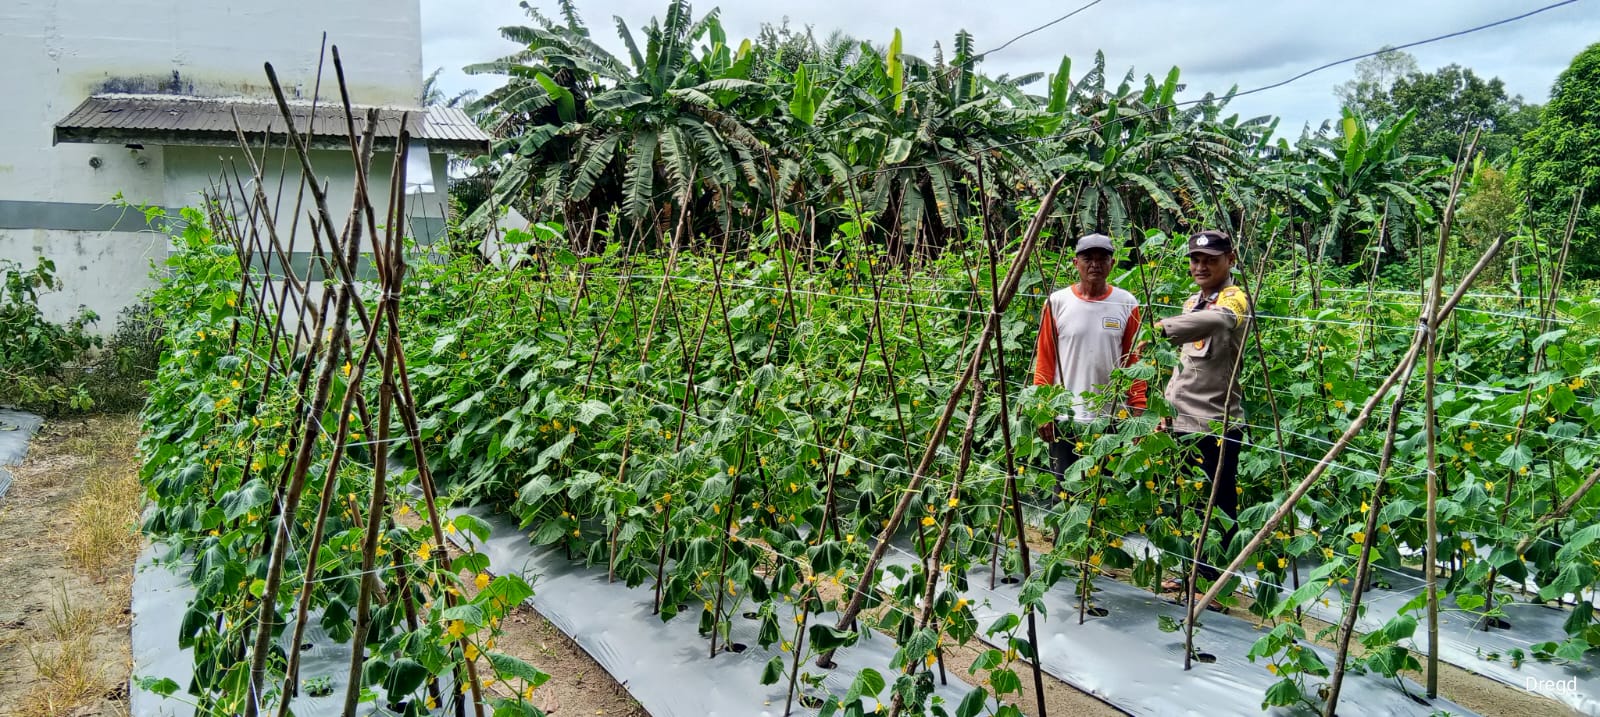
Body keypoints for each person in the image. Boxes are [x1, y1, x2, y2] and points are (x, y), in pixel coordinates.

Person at [1151, 230, 1252, 605]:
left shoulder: (1234, 298)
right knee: (1189, 500)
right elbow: (1183, 365)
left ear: (1230, 259)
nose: (1201, 266)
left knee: (1217, 505)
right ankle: (1189, 569)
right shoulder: (1194, 299)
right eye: (1195, 259)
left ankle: (1213, 580)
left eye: (1210, 259)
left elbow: (1222, 320)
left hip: (1215, 422)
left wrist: (1164, 328)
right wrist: (1165, 407)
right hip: (1181, 420)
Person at [1033, 233, 1147, 482]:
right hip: (1065, 417)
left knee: (1106, 492)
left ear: (1112, 264)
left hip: (1111, 418)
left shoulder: (1127, 303)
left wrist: (1138, 407)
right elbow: (1045, 359)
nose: (1095, 264)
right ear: (1076, 263)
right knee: (1064, 491)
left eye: (1102, 258)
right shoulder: (1057, 302)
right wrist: (1044, 408)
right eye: (1087, 258)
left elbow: (1133, 362)